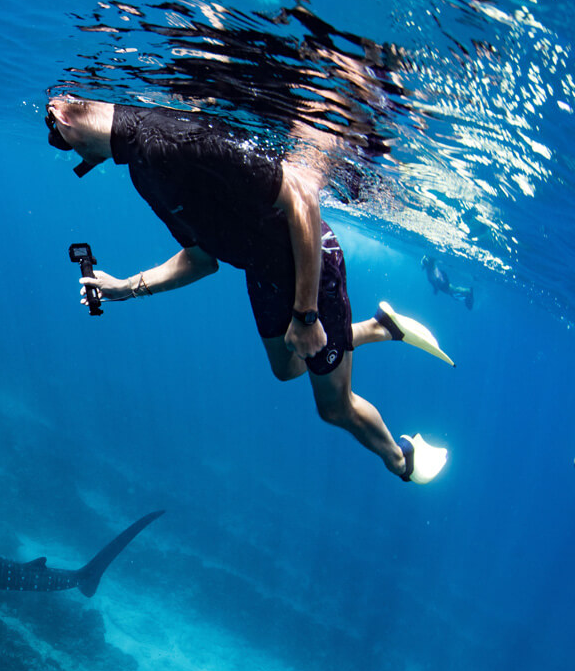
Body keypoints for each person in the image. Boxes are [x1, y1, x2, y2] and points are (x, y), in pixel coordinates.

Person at [46, 96, 454, 484]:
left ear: (63, 116)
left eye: (58, 140)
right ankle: (382, 328)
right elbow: (200, 260)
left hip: (305, 262)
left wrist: (306, 316)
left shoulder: (172, 138)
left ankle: (402, 461)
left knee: (333, 407)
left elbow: (302, 198)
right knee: (286, 369)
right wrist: (125, 288)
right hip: (262, 270)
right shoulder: (143, 166)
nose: (72, 157)